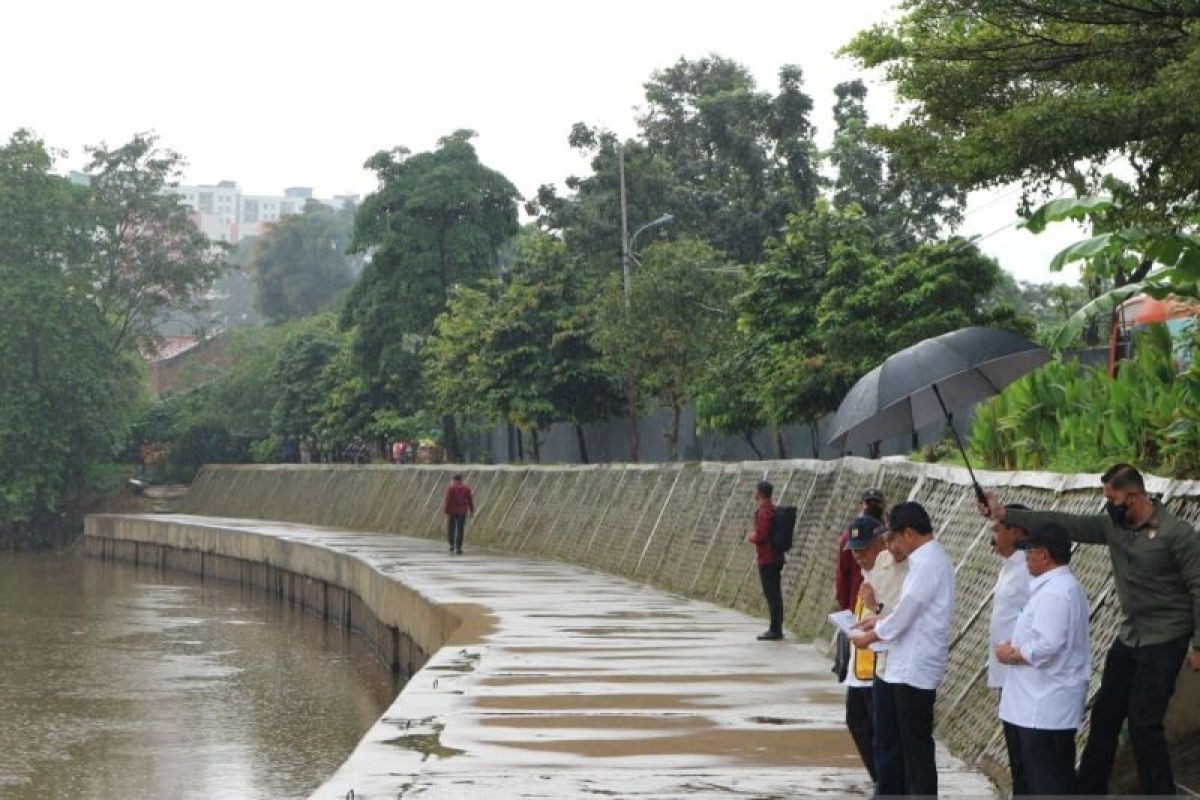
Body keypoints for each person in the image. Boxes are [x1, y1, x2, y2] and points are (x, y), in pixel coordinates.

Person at [981, 463, 1200, 796]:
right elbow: (1067, 523)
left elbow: (1199, 586)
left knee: (1143, 722)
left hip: (1166, 636)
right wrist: (1006, 514)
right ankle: (1088, 790)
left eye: (1113, 498)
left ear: (1134, 496)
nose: (1108, 505)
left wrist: (1199, 645)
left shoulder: (1177, 534)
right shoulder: (1114, 528)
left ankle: (1160, 792)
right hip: (1131, 636)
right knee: (1105, 716)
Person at [851, 502, 955, 797]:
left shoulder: (927, 564)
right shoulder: (924, 561)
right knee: (901, 742)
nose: (891, 545)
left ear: (909, 534)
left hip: (915, 667)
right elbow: (901, 616)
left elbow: (906, 612)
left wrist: (872, 635)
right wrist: (876, 624)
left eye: (893, 538)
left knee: (916, 748)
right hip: (904, 663)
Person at [995, 522, 1091, 796]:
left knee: (1047, 784)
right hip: (1033, 705)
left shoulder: (1056, 592)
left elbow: (1047, 646)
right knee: (1033, 782)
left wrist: (1011, 654)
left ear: (1045, 555)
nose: (1025, 559)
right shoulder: (1055, 587)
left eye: (1029, 553)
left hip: (1044, 707)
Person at [988, 504, 1033, 796]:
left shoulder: (1029, 569)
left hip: (1022, 672)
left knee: (1026, 753)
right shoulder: (1010, 567)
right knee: (1016, 751)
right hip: (1007, 672)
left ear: (1016, 532)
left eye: (997, 529)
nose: (992, 536)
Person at [837, 488, 887, 612]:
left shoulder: (888, 539)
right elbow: (842, 573)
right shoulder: (849, 536)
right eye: (869, 503)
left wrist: (876, 608)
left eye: (876, 504)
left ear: (881, 544)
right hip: (857, 605)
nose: (859, 556)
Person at [746, 479, 783, 641]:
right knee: (776, 594)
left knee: (772, 595)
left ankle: (774, 629)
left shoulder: (764, 512)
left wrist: (752, 537)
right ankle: (776, 627)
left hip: (768, 559)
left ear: (760, 493)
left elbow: (762, 535)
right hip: (775, 557)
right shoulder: (773, 510)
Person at [443, 473, 475, 555]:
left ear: (454, 480)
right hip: (462, 510)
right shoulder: (466, 488)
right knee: (460, 529)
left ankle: (452, 544)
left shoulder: (450, 488)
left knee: (451, 528)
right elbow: (470, 500)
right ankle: (459, 547)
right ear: (461, 480)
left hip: (452, 510)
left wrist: (446, 510)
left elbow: (448, 500)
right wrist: (472, 511)